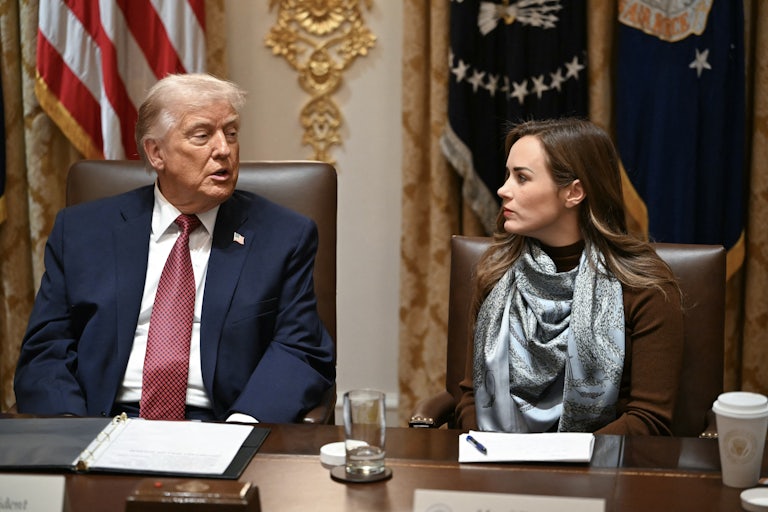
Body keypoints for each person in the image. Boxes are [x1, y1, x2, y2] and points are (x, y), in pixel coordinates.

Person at [14, 73, 335, 423]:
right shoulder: (82, 231)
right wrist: (70, 430)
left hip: (221, 423)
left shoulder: (282, 235)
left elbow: (300, 348)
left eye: (230, 133)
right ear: (156, 153)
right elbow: (47, 348)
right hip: (102, 423)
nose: (224, 150)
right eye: (202, 135)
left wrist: (245, 426)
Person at [455, 117, 684, 435]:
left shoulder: (643, 285)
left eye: (522, 178)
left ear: (573, 192)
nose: (503, 189)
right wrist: (491, 453)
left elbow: (649, 419)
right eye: (508, 175)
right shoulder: (495, 274)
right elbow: (471, 396)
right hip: (496, 463)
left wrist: (559, 462)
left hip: (601, 475)